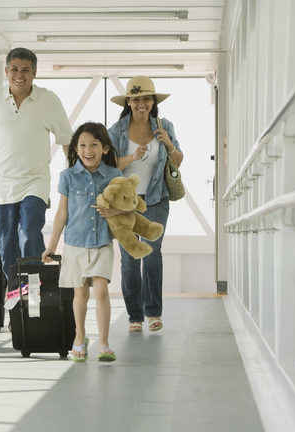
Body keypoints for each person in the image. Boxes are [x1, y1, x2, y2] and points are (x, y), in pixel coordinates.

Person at [0, 47, 72, 282]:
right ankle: (16, 297)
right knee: (7, 246)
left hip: (35, 183)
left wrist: (77, 176)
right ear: (6, 71)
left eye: (26, 70)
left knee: (29, 234)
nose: (20, 74)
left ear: (34, 73)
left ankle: (34, 294)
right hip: (2, 187)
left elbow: (67, 141)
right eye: (14, 69)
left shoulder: (49, 100)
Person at [105, 76, 183, 333]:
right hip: (125, 204)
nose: (141, 103)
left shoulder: (165, 125)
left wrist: (168, 143)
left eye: (146, 98)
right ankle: (134, 316)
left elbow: (178, 161)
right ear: (128, 102)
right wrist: (132, 157)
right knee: (129, 260)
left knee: (151, 253)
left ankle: (153, 313)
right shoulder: (116, 131)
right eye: (136, 99)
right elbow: (107, 167)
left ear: (153, 102)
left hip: (156, 198)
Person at [41, 122, 124, 362]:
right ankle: (80, 337)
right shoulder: (67, 176)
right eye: (83, 145)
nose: (88, 150)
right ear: (76, 150)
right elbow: (61, 214)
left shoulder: (115, 176)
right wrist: (51, 246)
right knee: (80, 297)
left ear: (105, 148)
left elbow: (128, 208)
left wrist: (113, 211)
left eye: (94, 145)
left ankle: (105, 343)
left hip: (102, 244)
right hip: (75, 244)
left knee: (101, 291)